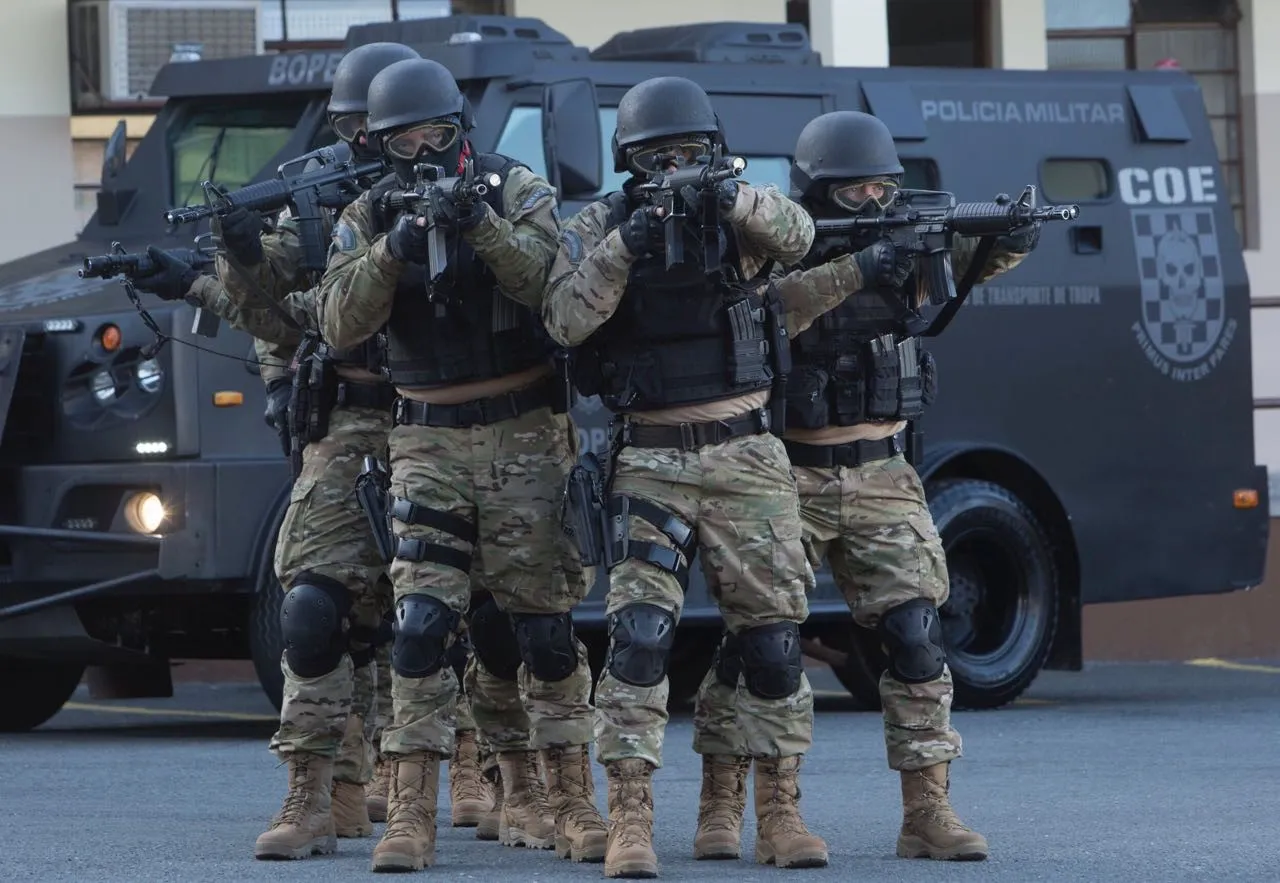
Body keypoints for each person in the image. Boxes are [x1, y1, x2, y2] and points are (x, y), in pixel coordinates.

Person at [131, 41, 498, 859]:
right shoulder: (318, 197)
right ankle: (318, 787)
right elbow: (280, 319)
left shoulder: (478, 184)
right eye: (355, 129)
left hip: (444, 419)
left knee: (450, 610)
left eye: (388, 130)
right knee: (312, 607)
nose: (368, 146)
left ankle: (469, 768)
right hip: (351, 415)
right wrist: (240, 253)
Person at [542, 76, 912, 878]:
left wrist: (731, 198)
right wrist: (627, 244)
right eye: (657, 156)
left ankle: (777, 812)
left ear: (712, 150)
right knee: (639, 639)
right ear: (629, 163)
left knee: (776, 643)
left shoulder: (743, 210)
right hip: (653, 455)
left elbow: (802, 234)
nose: (675, 167)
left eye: (690, 152)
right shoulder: (602, 223)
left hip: (748, 455)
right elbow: (565, 318)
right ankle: (632, 818)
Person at [689, 110, 1043, 865]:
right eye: (855, 194)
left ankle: (928, 809)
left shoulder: (907, 243)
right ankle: (742, 802)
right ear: (819, 191)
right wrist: (858, 265)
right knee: (762, 644)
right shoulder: (776, 242)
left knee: (917, 635)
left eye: (885, 188)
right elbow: (768, 314)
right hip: (786, 470)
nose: (875, 204)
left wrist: (1010, 233)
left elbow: (981, 252)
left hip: (882, 468)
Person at [316, 56, 608, 872]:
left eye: (437, 134)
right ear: (379, 145)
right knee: (420, 626)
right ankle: (409, 813)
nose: (424, 151)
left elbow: (555, 286)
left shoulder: (517, 190)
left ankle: (571, 800)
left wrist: (477, 222)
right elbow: (336, 322)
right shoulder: (366, 212)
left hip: (524, 429)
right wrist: (397, 246)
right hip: (426, 436)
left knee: (544, 632)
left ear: (461, 132)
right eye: (405, 140)